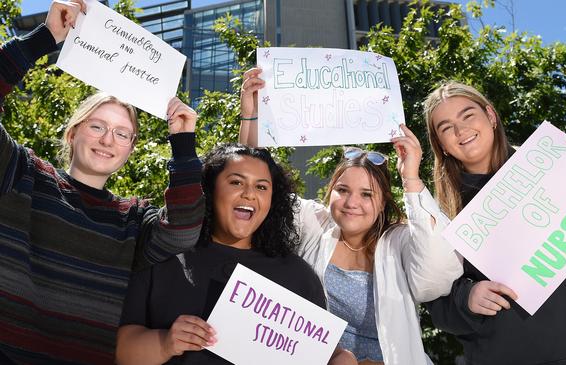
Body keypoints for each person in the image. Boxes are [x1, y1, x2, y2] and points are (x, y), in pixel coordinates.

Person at [0, 1, 205, 364]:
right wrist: (43, 38)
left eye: (122, 133)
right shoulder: (21, 173)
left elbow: (183, 231)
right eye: (97, 126)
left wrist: (184, 146)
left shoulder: (132, 218)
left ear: (130, 149)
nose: (108, 139)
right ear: (73, 133)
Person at [238, 68, 463, 365]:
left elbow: (437, 274)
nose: (352, 202)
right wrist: (251, 115)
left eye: (367, 194)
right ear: (330, 192)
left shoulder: (401, 242)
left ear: (383, 202)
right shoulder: (314, 225)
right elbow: (259, 181)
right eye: (342, 190)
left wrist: (411, 177)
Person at [422, 81, 566, 365]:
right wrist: (465, 298)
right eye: (445, 127)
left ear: (491, 117)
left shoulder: (562, 166)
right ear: (440, 144)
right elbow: (435, 300)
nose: (460, 130)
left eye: (468, 115)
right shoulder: (437, 213)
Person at [116, 143, 357, 365]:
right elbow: (120, 348)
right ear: (209, 190)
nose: (249, 194)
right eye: (236, 182)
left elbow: (325, 353)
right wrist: (164, 342)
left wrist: (341, 358)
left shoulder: (299, 276)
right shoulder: (163, 256)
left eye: (261, 187)